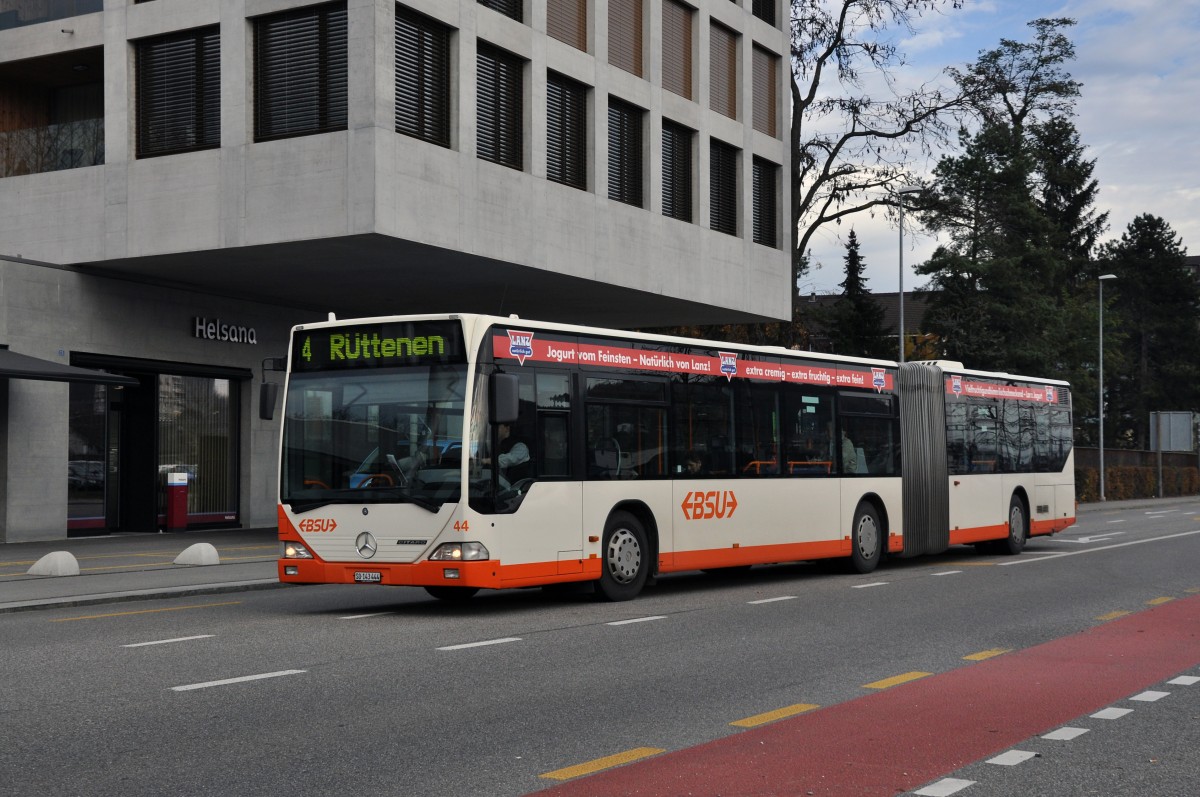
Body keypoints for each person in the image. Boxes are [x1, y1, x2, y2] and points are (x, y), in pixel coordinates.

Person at [483, 422, 529, 487]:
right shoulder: (491, 445)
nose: (491, 429)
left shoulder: (521, 447)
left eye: (496, 426)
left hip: (514, 491)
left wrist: (486, 461)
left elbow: (510, 459)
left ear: (507, 429)